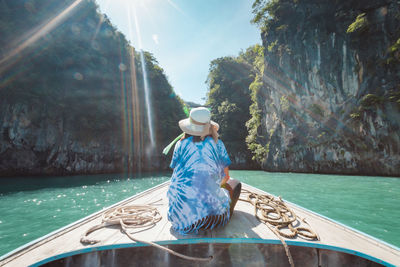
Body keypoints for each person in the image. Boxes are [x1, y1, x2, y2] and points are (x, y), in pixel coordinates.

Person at [167, 107, 241, 234]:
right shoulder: (218, 144)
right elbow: (226, 178)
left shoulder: (180, 144)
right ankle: (224, 212)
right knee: (235, 184)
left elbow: (177, 173)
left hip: (178, 219)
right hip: (212, 220)